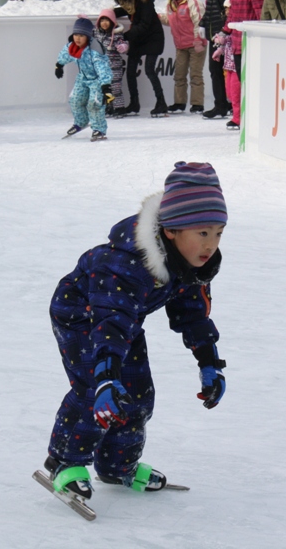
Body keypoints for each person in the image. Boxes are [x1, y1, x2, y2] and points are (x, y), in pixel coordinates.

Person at [42, 161, 228, 502]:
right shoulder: (124, 264)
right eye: (202, 233)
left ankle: (117, 465)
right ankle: (65, 462)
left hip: (124, 320)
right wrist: (106, 375)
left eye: (218, 232)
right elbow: (110, 322)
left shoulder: (191, 263)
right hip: (82, 316)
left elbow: (192, 313)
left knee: (138, 395)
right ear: (171, 230)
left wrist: (208, 362)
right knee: (94, 391)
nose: (211, 244)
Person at [113, 0, 166, 117]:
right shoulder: (131, 1)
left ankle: (161, 102)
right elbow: (125, 10)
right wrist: (108, 14)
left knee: (149, 69)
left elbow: (144, 24)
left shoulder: (144, 0)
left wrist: (125, 36)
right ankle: (134, 103)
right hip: (138, 38)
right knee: (130, 71)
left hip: (153, 37)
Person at [54, 17, 113, 142]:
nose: (77, 38)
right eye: (76, 34)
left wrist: (106, 86)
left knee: (94, 103)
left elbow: (103, 68)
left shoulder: (95, 50)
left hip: (97, 80)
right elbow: (64, 54)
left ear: (87, 36)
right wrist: (59, 65)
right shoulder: (72, 47)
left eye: (81, 35)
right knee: (75, 100)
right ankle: (80, 122)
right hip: (83, 78)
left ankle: (99, 129)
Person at [158, 0, 207, 114]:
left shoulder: (193, 2)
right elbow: (170, 21)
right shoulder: (171, 6)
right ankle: (179, 102)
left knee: (196, 75)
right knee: (179, 75)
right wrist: (158, 18)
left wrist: (199, 40)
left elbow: (199, 22)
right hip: (181, 46)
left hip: (196, 44)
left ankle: (197, 104)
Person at [200, 0, 233, 120]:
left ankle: (231, 103)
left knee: (229, 70)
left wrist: (225, 30)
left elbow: (228, 6)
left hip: (224, 31)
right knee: (214, 69)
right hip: (213, 30)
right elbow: (210, 5)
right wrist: (203, 23)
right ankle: (220, 104)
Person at [223, 0, 266, 82]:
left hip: (250, 38)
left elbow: (260, 9)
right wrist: (225, 30)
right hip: (237, 40)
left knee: (252, 80)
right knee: (242, 81)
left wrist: (261, 32)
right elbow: (233, 10)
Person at [93, 9, 129, 116]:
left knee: (115, 87)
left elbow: (122, 43)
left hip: (114, 65)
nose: (104, 23)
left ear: (112, 22)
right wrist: (83, 20)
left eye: (107, 20)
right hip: (101, 66)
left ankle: (119, 107)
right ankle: (108, 106)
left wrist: (123, 47)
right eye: (102, 20)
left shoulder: (117, 34)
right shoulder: (97, 33)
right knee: (104, 87)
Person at [213, 0, 241, 130]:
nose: (226, 11)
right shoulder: (228, 25)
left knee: (236, 93)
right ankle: (236, 114)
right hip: (228, 65)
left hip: (236, 65)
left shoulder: (238, 25)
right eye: (226, 9)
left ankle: (238, 118)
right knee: (229, 92)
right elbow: (227, 41)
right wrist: (220, 50)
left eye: (228, 8)